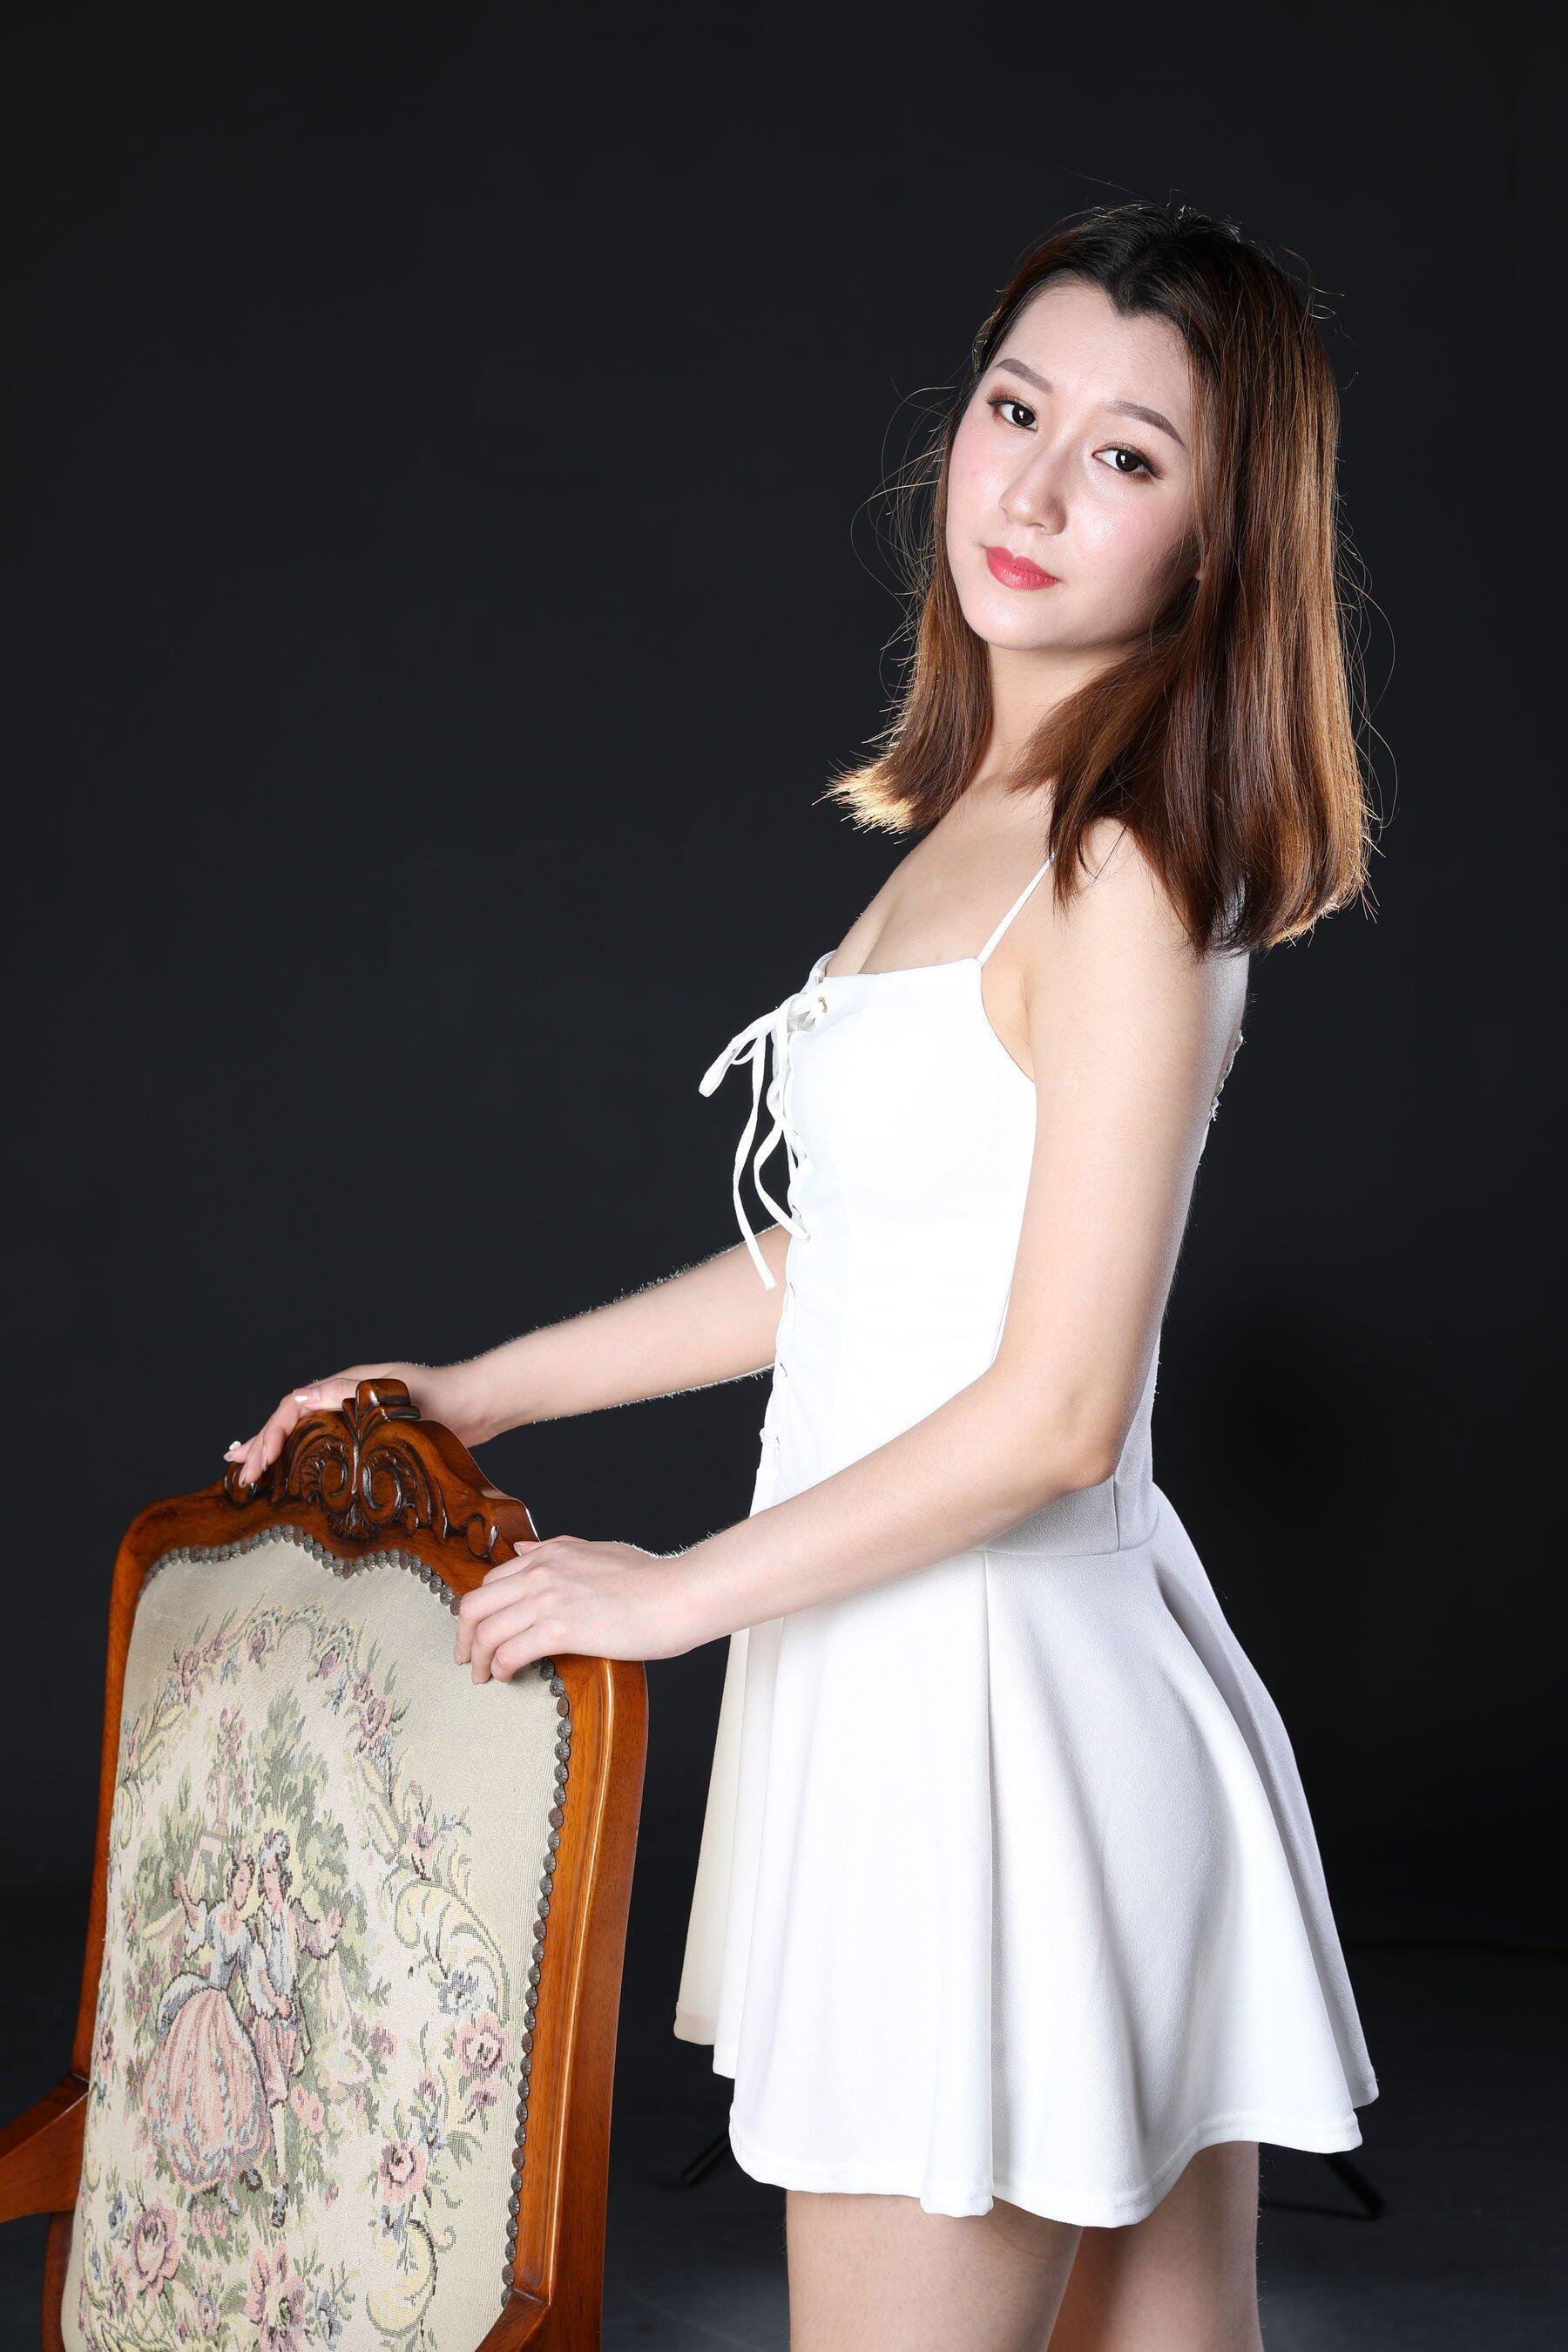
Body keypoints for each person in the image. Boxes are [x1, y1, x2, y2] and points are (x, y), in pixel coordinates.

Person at [227, 199, 1380, 2350]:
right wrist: (485, 1389)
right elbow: (857, 1263)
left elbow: (1058, 1410)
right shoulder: (1000, 817)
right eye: (1016, 410)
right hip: (944, 1686)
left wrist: (673, 1594)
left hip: (984, 1729)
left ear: (1222, 541)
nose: (1035, 488)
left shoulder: (1125, 862)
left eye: (1129, 455)